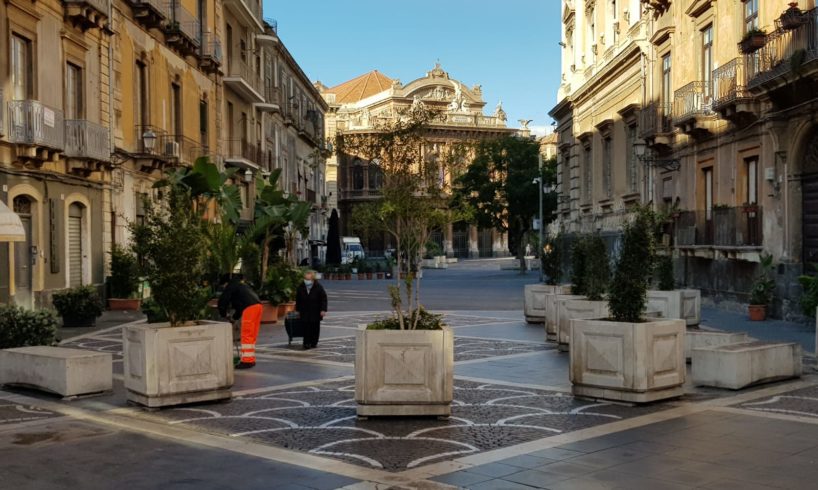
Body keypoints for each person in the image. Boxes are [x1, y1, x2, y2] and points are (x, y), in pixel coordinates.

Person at [218, 274, 262, 369]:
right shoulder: (240, 285)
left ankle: (247, 361)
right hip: (258, 306)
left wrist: (223, 314)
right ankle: (251, 358)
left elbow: (223, 301)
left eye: (223, 286)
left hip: (249, 308)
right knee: (252, 335)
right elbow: (240, 306)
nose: (224, 288)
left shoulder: (230, 286)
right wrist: (234, 318)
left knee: (246, 335)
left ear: (225, 283)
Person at [295, 270, 327, 350]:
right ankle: (306, 343)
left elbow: (323, 299)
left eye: (308, 279)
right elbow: (298, 299)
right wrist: (297, 310)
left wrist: (323, 310)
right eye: (305, 279)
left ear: (313, 280)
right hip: (304, 310)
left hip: (315, 311)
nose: (307, 281)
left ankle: (314, 342)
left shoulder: (318, 287)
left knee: (315, 327)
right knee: (305, 327)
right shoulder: (301, 287)